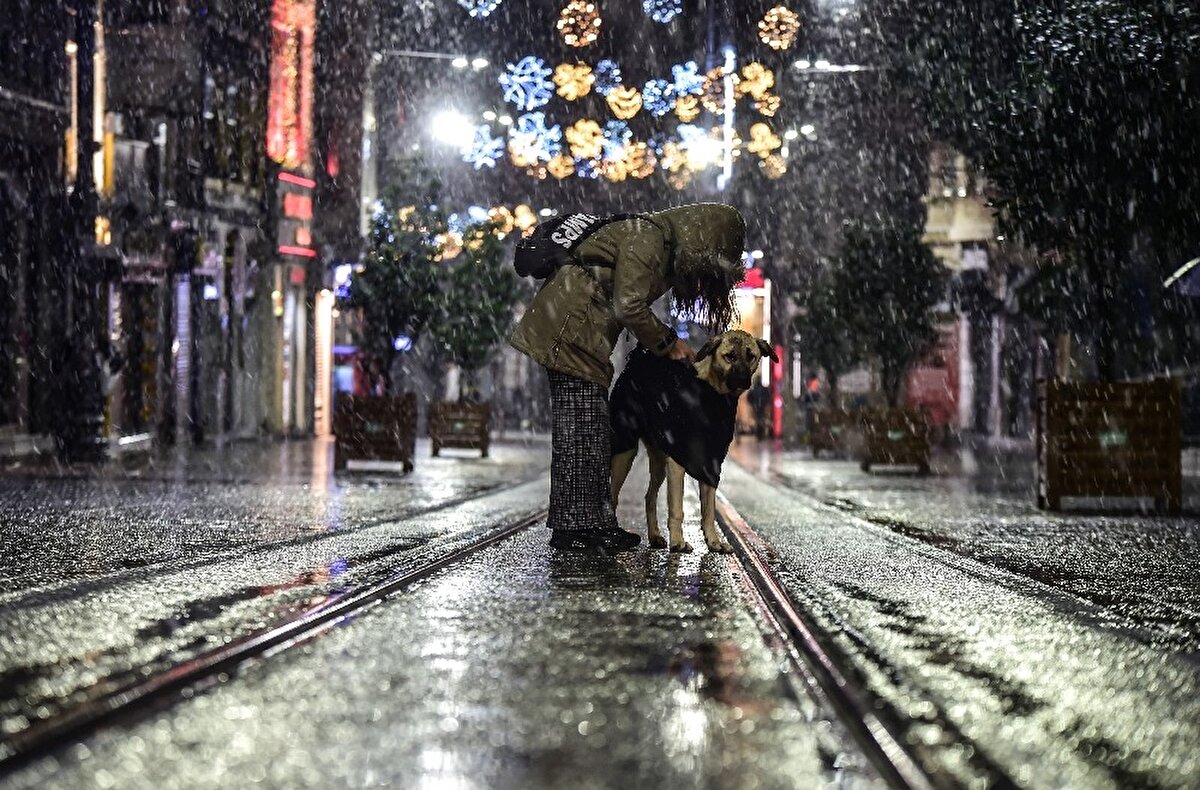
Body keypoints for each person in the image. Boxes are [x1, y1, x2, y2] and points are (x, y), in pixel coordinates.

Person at [510, 203, 747, 553]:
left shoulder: (656, 241)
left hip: (578, 329)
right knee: (582, 431)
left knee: (588, 432)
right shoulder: (649, 239)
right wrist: (668, 342)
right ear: (702, 242)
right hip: (570, 329)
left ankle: (586, 524)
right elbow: (628, 305)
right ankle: (578, 529)